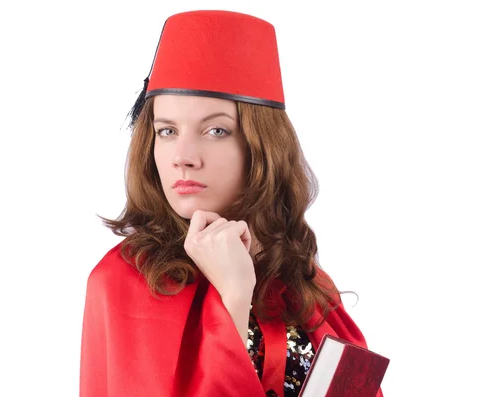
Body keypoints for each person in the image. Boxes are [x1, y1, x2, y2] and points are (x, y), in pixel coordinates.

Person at [79, 10, 384, 397]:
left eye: (216, 130)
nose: (183, 156)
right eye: (167, 131)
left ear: (261, 147)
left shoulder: (307, 283)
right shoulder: (126, 282)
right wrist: (234, 298)